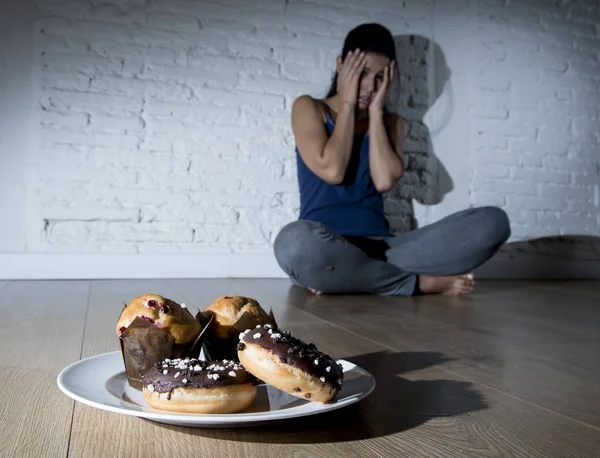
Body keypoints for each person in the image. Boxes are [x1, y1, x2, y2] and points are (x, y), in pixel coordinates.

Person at [274, 23, 510, 296]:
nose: (369, 86)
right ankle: (415, 283)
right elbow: (333, 169)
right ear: (341, 65)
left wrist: (376, 112)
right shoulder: (310, 108)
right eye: (361, 74)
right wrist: (349, 103)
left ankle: (352, 277)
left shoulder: (391, 122)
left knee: (493, 222)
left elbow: (384, 180)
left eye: (380, 77)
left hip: (387, 249)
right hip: (327, 245)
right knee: (294, 244)